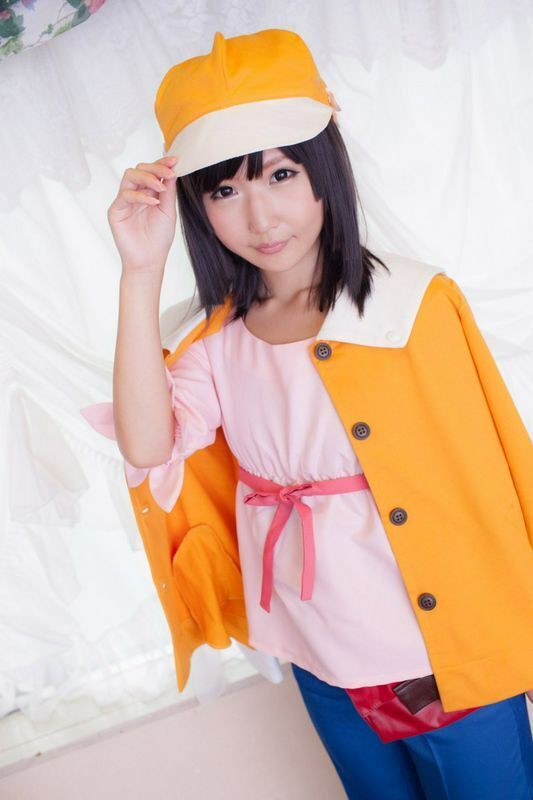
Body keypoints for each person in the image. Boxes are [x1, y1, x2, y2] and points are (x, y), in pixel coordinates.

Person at [81, 28, 533, 799]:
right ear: (196, 206)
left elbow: (492, 476)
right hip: (320, 657)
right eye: (224, 191)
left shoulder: (409, 306)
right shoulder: (213, 340)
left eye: (281, 174)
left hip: (446, 650)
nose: (260, 217)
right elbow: (149, 444)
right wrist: (139, 271)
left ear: (324, 171)